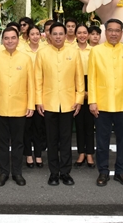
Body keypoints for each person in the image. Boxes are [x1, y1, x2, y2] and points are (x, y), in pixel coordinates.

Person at [88, 19, 123, 188]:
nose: (114, 33)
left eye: (117, 30)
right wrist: (92, 101)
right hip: (102, 103)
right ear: (105, 32)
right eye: (110, 30)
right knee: (102, 141)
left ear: (122, 32)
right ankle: (103, 171)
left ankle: (121, 171)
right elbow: (92, 79)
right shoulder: (96, 51)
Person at [35, 22, 84, 186]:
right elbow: (38, 79)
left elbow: (79, 79)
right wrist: (38, 101)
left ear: (66, 35)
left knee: (66, 139)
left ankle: (65, 172)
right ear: (49, 35)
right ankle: (53, 173)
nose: (57, 37)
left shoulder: (74, 52)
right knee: (51, 140)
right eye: (54, 34)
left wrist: (79, 100)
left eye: (60, 34)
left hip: (68, 102)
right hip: (48, 103)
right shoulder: (42, 53)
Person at [0, 27, 35, 187]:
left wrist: (31, 105)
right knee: (0, 142)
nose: (10, 41)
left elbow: (31, 84)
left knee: (18, 142)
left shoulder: (26, 59)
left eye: (13, 38)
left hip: (19, 107)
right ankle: (3, 171)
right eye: (6, 38)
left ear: (18, 39)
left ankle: (17, 172)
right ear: (3, 40)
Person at [21, 25, 46, 168]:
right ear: (28, 36)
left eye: (37, 34)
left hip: (42, 91)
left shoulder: (45, 50)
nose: (35, 36)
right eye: (32, 34)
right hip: (25, 91)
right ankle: (28, 155)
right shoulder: (22, 50)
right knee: (27, 127)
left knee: (39, 126)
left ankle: (38, 155)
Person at [74, 24, 95, 168]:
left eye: (84, 33)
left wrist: (90, 91)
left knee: (90, 123)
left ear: (88, 35)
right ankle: (81, 152)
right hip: (74, 85)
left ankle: (89, 154)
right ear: (75, 35)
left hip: (92, 85)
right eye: (79, 33)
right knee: (79, 123)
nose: (82, 35)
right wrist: (79, 91)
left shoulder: (94, 50)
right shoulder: (70, 50)